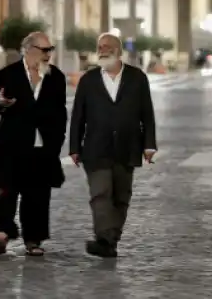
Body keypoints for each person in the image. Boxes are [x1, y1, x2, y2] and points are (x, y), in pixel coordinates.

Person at [69, 33, 157, 258]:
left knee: (121, 197)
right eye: (100, 46)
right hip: (96, 148)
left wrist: (149, 145)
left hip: (127, 147)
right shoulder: (88, 80)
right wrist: (74, 147)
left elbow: (147, 114)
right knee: (100, 194)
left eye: (108, 46)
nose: (103, 49)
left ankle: (110, 241)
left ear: (119, 51)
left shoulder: (137, 78)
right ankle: (103, 238)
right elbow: (78, 116)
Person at [0, 31, 68, 256]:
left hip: (42, 148)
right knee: (7, 192)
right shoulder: (8, 74)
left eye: (51, 49)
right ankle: (2, 236)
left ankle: (34, 240)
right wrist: (0, 103)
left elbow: (61, 114)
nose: (49, 54)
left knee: (37, 195)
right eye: (45, 50)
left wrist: (56, 144)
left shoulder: (56, 77)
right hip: (13, 145)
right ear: (29, 50)